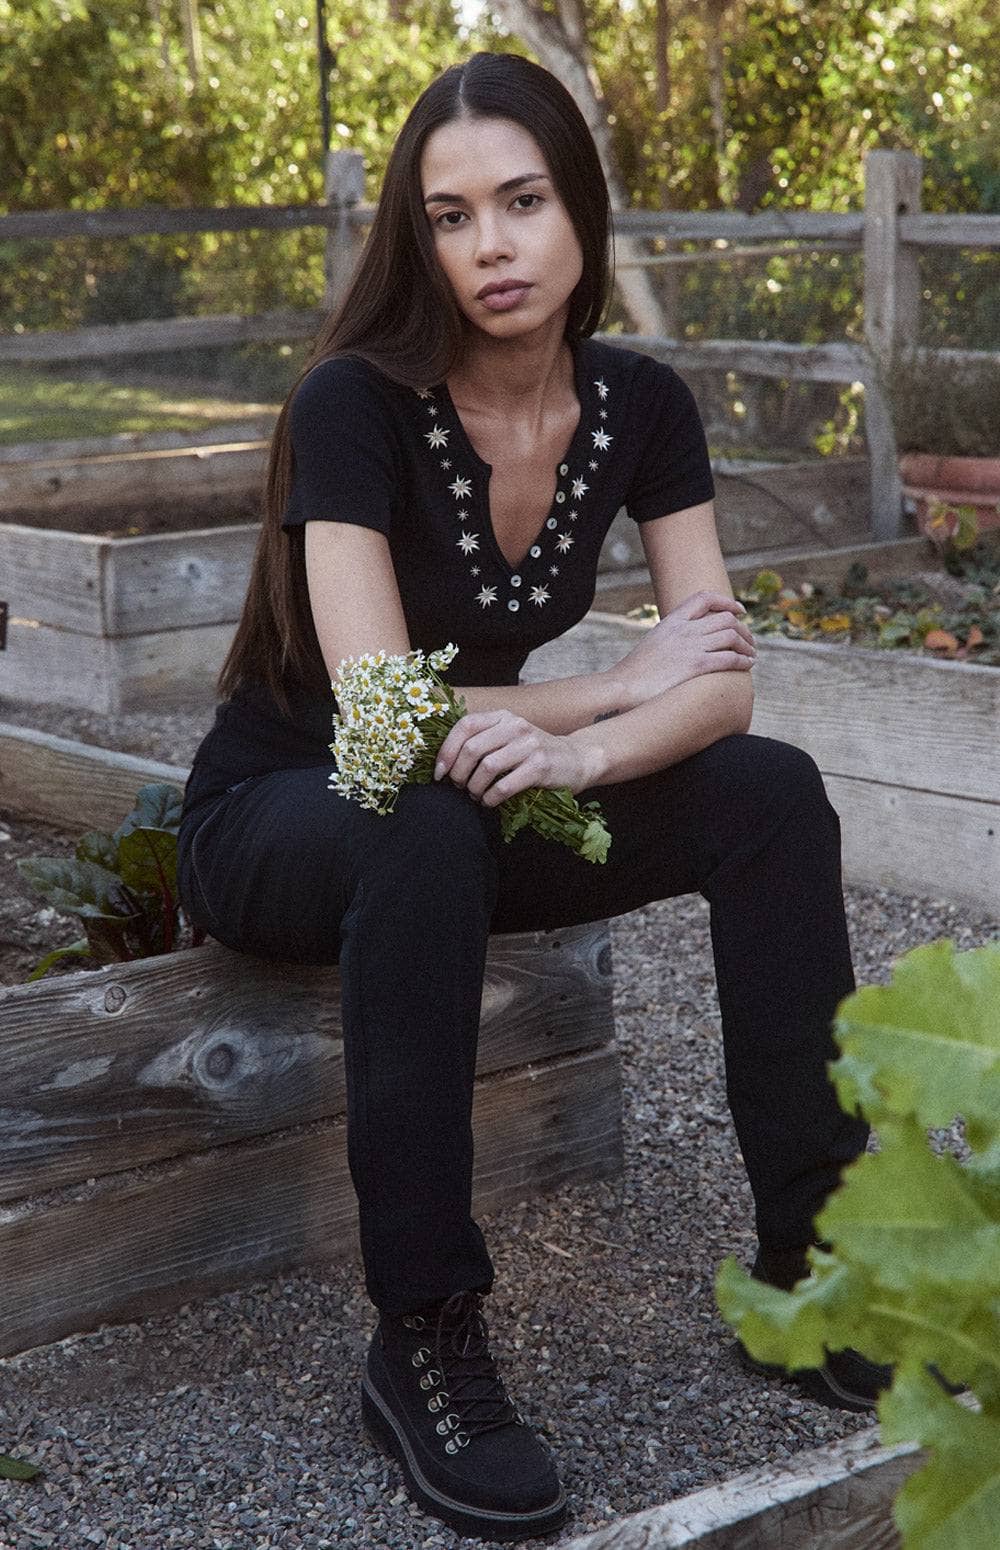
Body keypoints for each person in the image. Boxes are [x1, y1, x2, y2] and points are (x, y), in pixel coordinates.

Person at [178, 51, 887, 1544]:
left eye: (522, 201)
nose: (490, 245)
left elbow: (719, 678)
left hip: (479, 791)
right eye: (449, 217)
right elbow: (376, 726)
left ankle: (811, 1270)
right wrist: (600, 695)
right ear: (415, 242)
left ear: (582, 215)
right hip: (292, 811)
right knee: (426, 815)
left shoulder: (642, 405)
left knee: (773, 792)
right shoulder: (353, 404)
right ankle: (423, 1329)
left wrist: (577, 755)